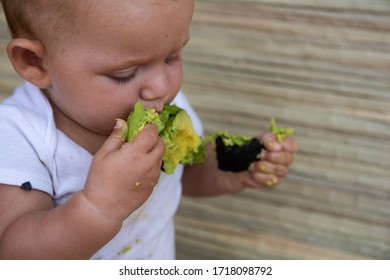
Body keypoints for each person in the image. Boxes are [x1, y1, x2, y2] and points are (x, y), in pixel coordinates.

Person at [0, 0, 298, 259]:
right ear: (35, 62)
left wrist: (229, 168)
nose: (162, 87)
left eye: (172, 57)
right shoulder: (18, 136)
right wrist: (98, 207)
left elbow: (184, 175)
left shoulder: (164, 103)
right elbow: (16, 256)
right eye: (124, 74)